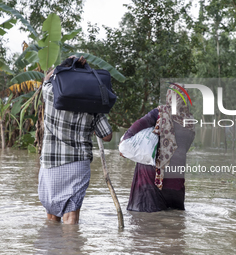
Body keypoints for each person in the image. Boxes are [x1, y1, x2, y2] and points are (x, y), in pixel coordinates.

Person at [38, 56, 113, 224]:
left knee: (51, 218)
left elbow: (48, 78)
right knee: (71, 218)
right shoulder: (93, 103)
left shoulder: (50, 92)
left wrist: (66, 63)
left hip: (51, 163)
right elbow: (107, 135)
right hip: (78, 164)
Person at [122, 84, 195, 212]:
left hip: (153, 177)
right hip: (176, 179)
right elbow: (184, 147)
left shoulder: (159, 113)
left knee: (148, 221)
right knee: (174, 221)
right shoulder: (190, 121)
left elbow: (133, 130)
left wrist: (124, 146)